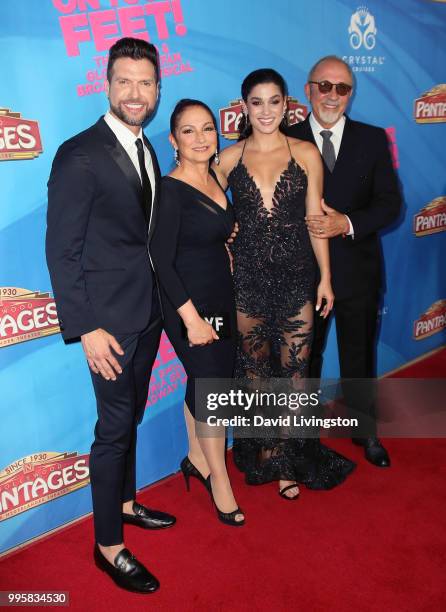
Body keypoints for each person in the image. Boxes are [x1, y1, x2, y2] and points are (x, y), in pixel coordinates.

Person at [46, 37, 176, 594]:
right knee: (113, 430)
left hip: (144, 312)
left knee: (130, 420)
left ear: (156, 90)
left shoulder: (147, 148)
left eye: (145, 83)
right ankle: (108, 545)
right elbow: (61, 250)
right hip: (107, 324)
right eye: (124, 81)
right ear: (107, 84)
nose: (134, 92)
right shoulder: (80, 153)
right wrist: (86, 328)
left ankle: (124, 503)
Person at [213, 68, 356, 499]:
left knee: (294, 373)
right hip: (249, 281)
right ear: (243, 107)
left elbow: (316, 222)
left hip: (297, 277)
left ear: (287, 104)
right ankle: (270, 452)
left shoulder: (306, 153)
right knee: (256, 373)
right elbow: (212, 216)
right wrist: (228, 235)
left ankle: (291, 461)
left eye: (274, 101)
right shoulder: (228, 159)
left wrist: (325, 278)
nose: (266, 111)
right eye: (256, 102)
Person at [286, 55, 401, 467]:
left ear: (350, 94)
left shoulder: (371, 139)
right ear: (308, 89)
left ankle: (364, 430)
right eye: (325, 86)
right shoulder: (285, 137)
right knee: (305, 357)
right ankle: (301, 435)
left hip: (358, 270)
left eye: (343, 88)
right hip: (302, 274)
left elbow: (391, 204)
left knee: (359, 355)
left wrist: (347, 223)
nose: (333, 96)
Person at [151, 99, 244, 526]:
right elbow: (161, 260)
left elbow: (212, 235)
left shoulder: (214, 179)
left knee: (208, 380)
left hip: (221, 295)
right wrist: (191, 319)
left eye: (208, 128)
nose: (202, 138)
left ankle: (194, 457)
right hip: (189, 303)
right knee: (213, 389)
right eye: (189, 131)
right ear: (173, 140)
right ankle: (219, 479)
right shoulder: (169, 190)